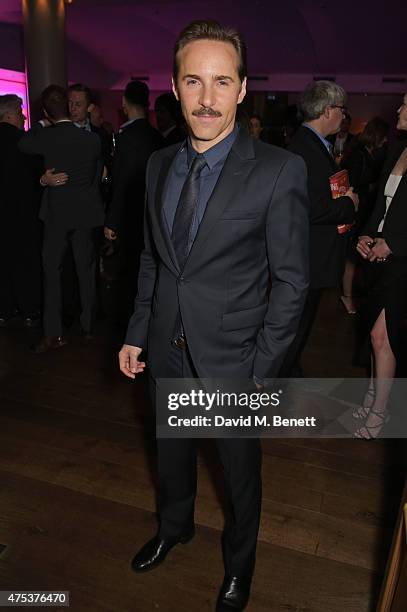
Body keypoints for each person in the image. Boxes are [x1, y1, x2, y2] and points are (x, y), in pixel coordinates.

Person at [118, 20, 309, 611]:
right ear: (174, 88)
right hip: (165, 349)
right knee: (170, 454)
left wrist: (262, 366)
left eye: (222, 82)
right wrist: (135, 333)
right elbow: (154, 259)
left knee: (238, 474)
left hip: (235, 361)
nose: (206, 98)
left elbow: (293, 281)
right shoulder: (155, 166)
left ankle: (239, 565)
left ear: (243, 89)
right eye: (193, 81)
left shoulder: (279, 169)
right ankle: (174, 527)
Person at [278, 80, 358, 377]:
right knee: (296, 322)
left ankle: (288, 369)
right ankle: (281, 376)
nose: (343, 116)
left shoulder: (311, 145)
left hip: (310, 254)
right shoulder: (306, 149)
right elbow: (312, 208)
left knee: (301, 320)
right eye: (341, 109)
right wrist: (349, 203)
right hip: (307, 255)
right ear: (327, 110)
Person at [19, 85, 104, 352]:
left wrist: (45, 179)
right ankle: (89, 326)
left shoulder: (47, 136)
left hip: (57, 213)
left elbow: (23, 143)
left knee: (52, 273)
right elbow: (95, 178)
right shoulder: (93, 140)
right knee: (86, 270)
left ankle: (54, 334)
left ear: (45, 111)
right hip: (85, 211)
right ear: (68, 107)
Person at [355, 94, 407, 439]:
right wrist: (365, 235)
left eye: (405, 104)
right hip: (380, 259)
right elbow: (379, 206)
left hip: (402, 263)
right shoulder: (398, 149)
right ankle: (373, 398)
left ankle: (379, 413)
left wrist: (395, 243)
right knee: (375, 336)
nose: (399, 110)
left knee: (381, 336)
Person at [104, 81, 163, 312]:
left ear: (124, 103)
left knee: (130, 267)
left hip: (130, 213)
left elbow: (121, 181)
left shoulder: (125, 137)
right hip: (152, 211)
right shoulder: (156, 136)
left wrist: (112, 220)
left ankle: (132, 315)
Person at [0, 94, 43, 327]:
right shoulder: (24, 142)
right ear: (8, 114)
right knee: (25, 261)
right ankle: (28, 309)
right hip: (24, 212)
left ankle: (5, 309)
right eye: (19, 112)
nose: (23, 115)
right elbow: (38, 176)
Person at [340, 117, 389, 314]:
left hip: (365, 211)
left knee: (356, 254)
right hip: (356, 211)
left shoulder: (370, 154)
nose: (386, 141)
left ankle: (350, 293)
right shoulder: (358, 154)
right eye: (384, 137)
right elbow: (354, 182)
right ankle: (347, 296)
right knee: (351, 256)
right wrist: (372, 186)